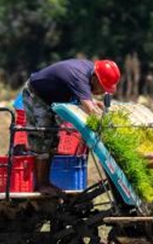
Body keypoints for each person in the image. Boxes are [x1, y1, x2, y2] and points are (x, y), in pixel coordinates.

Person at [21, 59, 121, 195]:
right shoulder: (79, 76)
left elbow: (85, 100)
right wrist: (109, 129)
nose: (102, 92)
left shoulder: (89, 74)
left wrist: (95, 104)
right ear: (95, 79)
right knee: (43, 136)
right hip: (36, 95)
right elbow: (91, 110)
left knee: (53, 140)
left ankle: (46, 182)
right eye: (103, 88)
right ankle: (41, 184)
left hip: (53, 98)